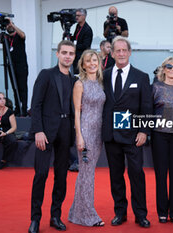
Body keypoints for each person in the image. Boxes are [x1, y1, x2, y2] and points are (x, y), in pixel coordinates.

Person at [102, 36, 152, 228]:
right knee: (116, 176)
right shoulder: (104, 75)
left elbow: (146, 106)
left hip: (133, 135)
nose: (121, 54)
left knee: (136, 175)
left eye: (124, 50)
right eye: (118, 51)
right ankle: (120, 213)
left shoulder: (141, 76)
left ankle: (141, 214)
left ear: (130, 52)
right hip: (111, 134)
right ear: (112, 53)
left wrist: (144, 131)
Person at [28, 40, 76, 233]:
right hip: (45, 132)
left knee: (61, 177)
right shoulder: (47, 75)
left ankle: (55, 216)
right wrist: (38, 130)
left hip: (66, 131)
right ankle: (35, 219)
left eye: (71, 53)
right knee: (41, 175)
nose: (67, 56)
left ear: (74, 56)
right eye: (64, 52)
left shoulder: (74, 81)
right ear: (57, 54)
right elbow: (36, 104)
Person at [68, 50, 105, 226]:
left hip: (99, 134)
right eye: (88, 61)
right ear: (83, 64)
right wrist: (79, 136)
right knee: (87, 174)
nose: (92, 64)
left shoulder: (101, 83)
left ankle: (77, 213)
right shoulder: (79, 84)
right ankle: (87, 215)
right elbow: (76, 111)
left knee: (86, 174)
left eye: (95, 60)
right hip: (86, 132)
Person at [152, 57, 173, 224]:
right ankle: (162, 211)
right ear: (163, 69)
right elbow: (149, 110)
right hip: (159, 134)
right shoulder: (156, 87)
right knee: (160, 175)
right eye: (169, 66)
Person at [0, 17, 29, 116]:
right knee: (15, 88)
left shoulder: (18, 36)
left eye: (9, 25)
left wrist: (12, 24)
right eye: (7, 25)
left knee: (22, 88)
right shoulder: (5, 37)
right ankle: (17, 108)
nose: (8, 26)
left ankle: (24, 109)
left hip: (21, 66)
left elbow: (23, 35)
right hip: (11, 66)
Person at [71, 8, 93, 74]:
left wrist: (74, 46)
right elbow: (76, 38)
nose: (76, 17)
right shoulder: (78, 26)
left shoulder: (87, 29)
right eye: (76, 15)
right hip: (76, 56)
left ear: (84, 16)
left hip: (82, 57)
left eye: (78, 15)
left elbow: (86, 45)